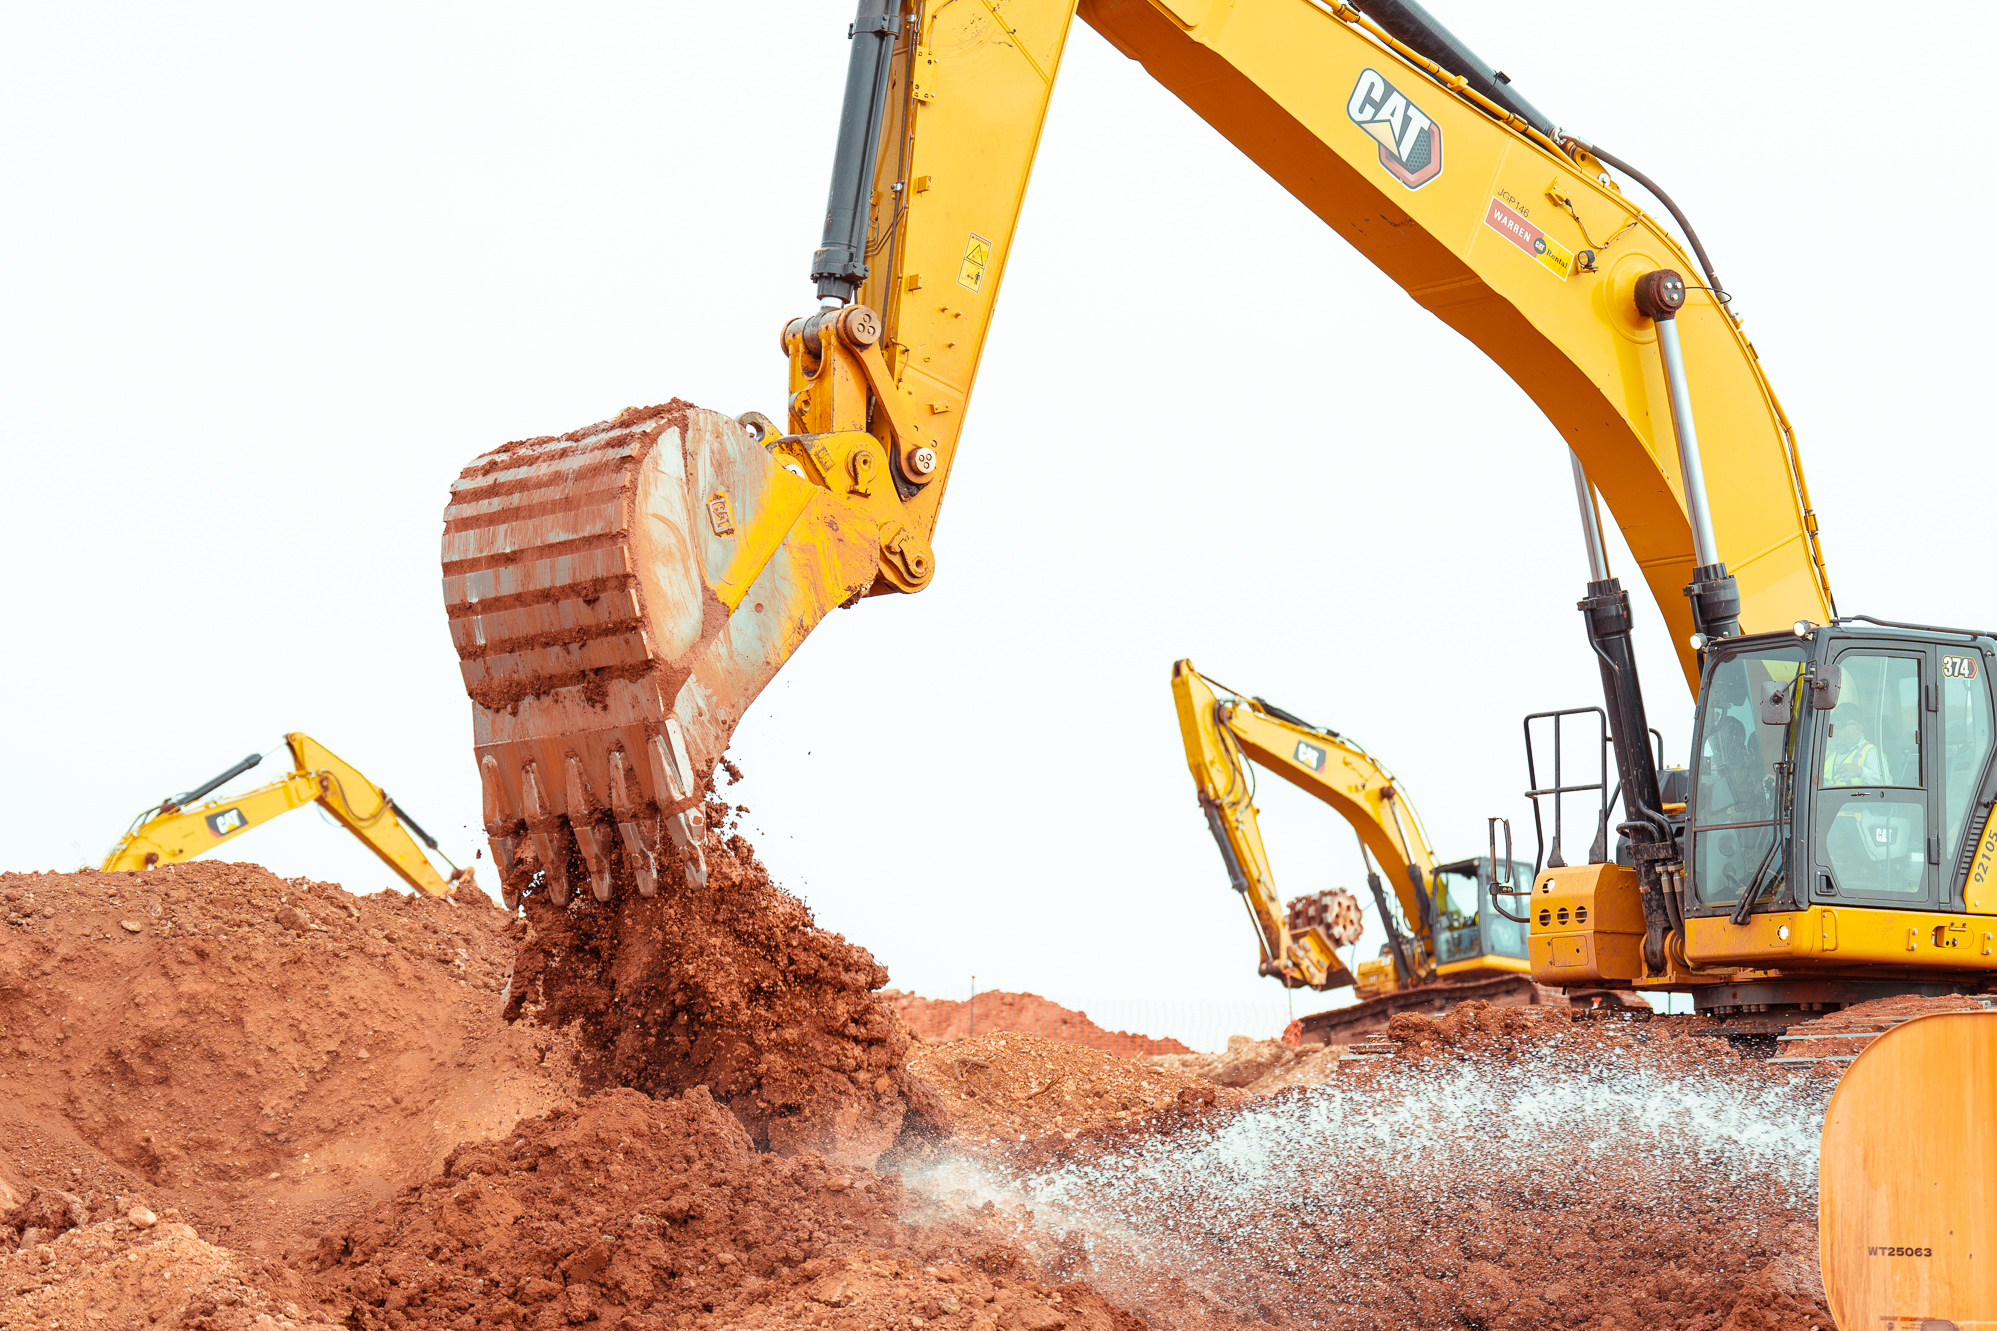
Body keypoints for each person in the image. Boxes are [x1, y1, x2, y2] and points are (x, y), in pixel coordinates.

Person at [1822, 706, 1885, 787]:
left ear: (1858, 729)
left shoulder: (1871, 752)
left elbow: (1886, 784)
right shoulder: (1827, 753)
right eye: (1832, 724)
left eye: (1839, 724)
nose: (1834, 729)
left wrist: (1860, 772)